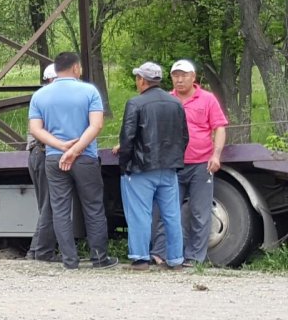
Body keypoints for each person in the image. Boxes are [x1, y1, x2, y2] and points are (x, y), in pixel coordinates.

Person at [28, 52, 118, 270]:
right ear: (76, 68)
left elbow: (35, 129)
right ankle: (99, 258)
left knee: (59, 209)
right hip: (84, 158)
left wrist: (60, 147)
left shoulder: (40, 95)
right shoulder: (89, 91)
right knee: (93, 207)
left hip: (53, 159)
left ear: (57, 69)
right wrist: (76, 149)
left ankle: (70, 260)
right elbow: (96, 126)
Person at [151, 59, 228, 267]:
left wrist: (216, 155)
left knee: (199, 212)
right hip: (172, 165)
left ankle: (194, 257)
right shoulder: (166, 100)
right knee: (166, 210)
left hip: (202, 164)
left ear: (193, 77)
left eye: (184, 75)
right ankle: (161, 254)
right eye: (176, 75)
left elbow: (219, 127)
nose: (179, 79)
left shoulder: (208, 99)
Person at [114, 62, 188, 271]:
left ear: (142, 80)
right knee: (172, 215)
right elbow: (184, 137)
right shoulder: (176, 103)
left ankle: (140, 259)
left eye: (137, 78)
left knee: (140, 214)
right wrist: (175, 159)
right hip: (169, 168)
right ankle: (175, 260)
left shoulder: (136, 103)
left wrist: (124, 164)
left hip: (140, 168)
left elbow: (127, 138)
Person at [25, 63, 59, 262]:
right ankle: (42, 252)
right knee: (50, 206)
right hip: (45, 153)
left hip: (36, 154)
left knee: (45, 206)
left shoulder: (39, 98)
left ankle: (35, 251)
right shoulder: (49, 100)